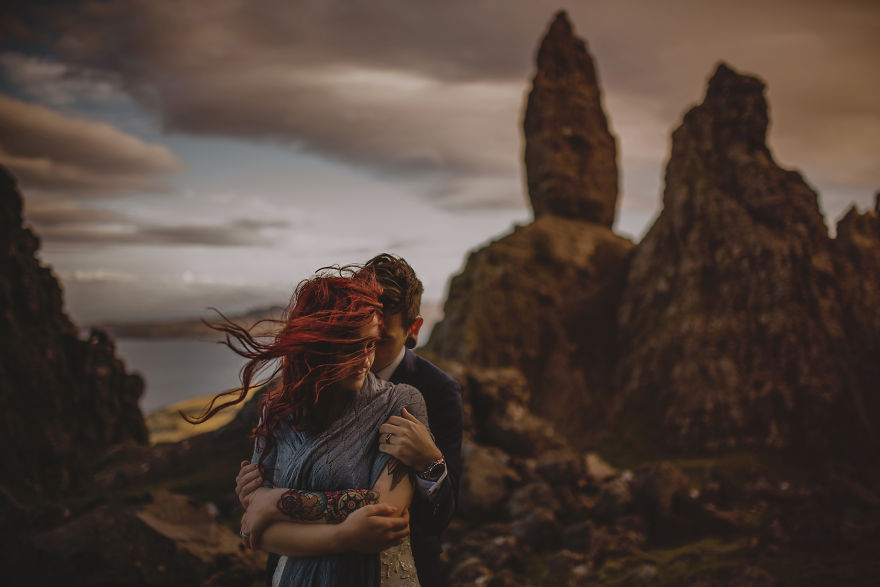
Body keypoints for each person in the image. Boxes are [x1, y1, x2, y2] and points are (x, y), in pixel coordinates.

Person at [190, 267, 429, 585]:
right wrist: (343, 535)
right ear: (319, 346)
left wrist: (273, 501)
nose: (364, 360)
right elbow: (256, 532)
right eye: (349, 347)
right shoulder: (277, 413)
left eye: (369, 345)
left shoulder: (399, 403)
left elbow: (384, 513)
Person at [236, 254, 463, 587]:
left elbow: (433, 512)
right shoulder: (285, 405)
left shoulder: (431, 392)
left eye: (376, 341)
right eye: (347, 340)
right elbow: (253, 525)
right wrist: (259, 501)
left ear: (412, 329)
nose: (365, 359)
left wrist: (431, 465)